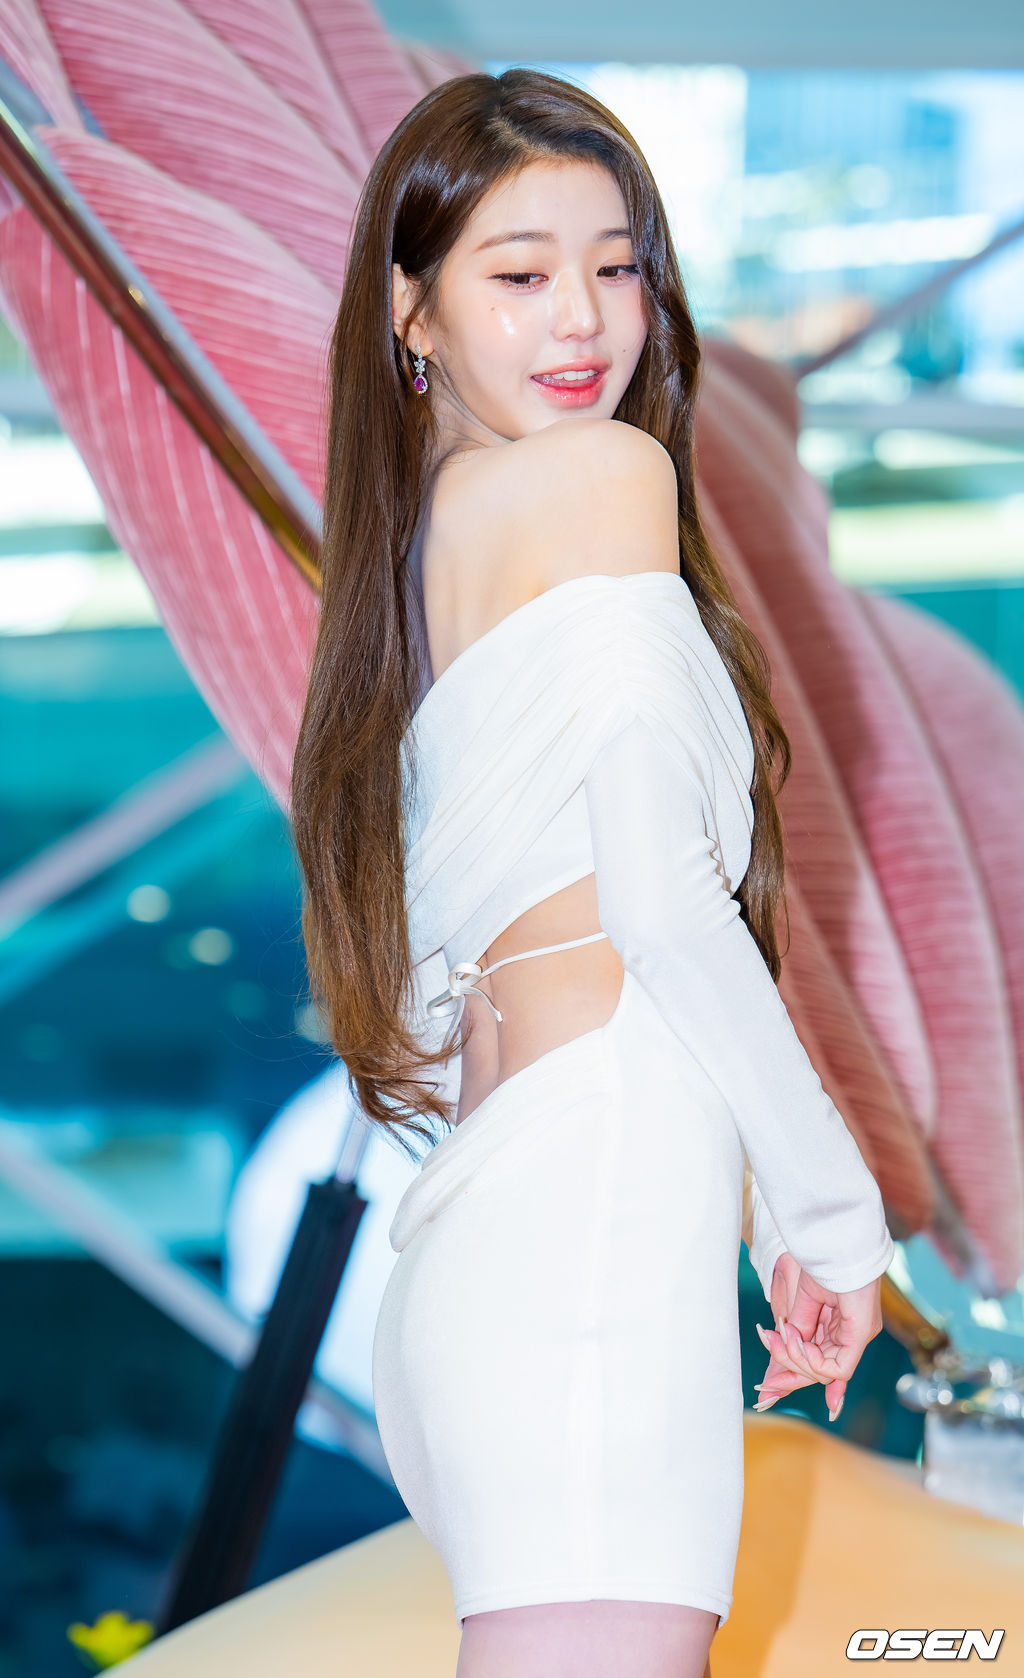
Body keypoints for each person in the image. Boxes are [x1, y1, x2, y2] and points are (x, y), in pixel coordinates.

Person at [290, 67, 895, 1678]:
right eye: (520, 271)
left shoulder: (432, 535)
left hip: (503, 1230)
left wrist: (762, 1203)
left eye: (616, 266)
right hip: (593, 1232)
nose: (584, 319)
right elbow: (657, 901)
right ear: (412, 311)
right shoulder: (605, 478)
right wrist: (834, 1216)